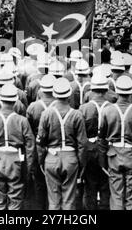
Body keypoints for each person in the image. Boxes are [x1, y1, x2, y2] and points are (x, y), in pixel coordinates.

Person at [0, 83, 34, 210]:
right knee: (15, 199)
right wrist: (28, 166)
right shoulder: (22, 121)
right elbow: (30, 146)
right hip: (16, 161)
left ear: (0, 100)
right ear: (15, 101)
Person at [37, 78, 87, 210]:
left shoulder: (46, 114)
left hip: (51, 158)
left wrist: (42, 161)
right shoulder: (77, 115)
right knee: (69, 199)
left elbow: (40, 142)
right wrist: (81, 164)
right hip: (71, 158)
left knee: (53, 199)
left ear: (54, 94)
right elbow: (82, 144)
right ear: (69, 95)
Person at [99, 76, 132, 210]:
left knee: (116, 195)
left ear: (117, 91)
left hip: (113, 155)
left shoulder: (107, 111)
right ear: (131, 92)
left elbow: (101, 139)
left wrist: (102, 160)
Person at [78, 72, 111, 210]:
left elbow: (79, 134)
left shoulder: (83, 109)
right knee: (105, 185)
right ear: (106, 89)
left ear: (92, 89)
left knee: (90, 185)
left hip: (89, 149)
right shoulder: (112, 107)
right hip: (107, 149)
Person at [25, 74, 56, 210]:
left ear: (41, 90)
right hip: (56, 148)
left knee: (39, 184)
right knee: (56, 186)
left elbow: (28, 130)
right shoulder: (61, 105)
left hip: (38, 149)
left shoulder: (33, 107)